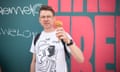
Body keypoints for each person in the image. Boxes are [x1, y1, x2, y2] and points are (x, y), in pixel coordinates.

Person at [30, 5, 84, 72]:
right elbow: (34, 61)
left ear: (54, 18)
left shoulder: (63, 35)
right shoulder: (36, 38)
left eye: (49, 16)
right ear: (39, 20)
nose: (46, 19)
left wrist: (68, 41)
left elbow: (80, 59)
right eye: (43, 17)